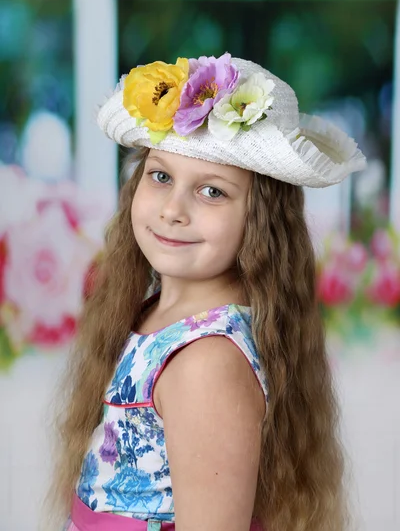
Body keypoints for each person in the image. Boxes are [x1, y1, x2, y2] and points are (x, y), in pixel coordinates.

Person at [48, 54, 366, 531]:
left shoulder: (207, 362)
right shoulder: (159, 312)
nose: (174, 210)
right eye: (161, 176)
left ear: (260, 220)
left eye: (212, 191)